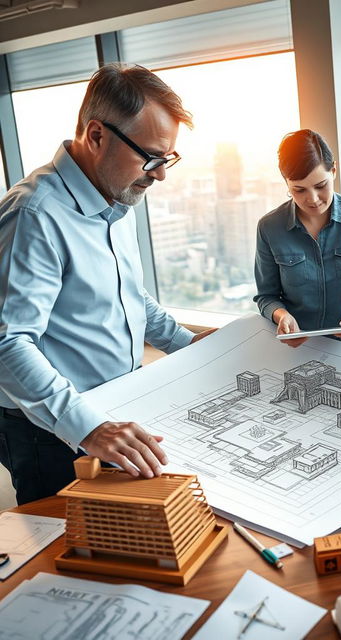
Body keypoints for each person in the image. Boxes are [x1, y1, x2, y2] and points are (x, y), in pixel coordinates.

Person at [0, 64, 213, 504]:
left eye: (168, 158)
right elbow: (9, 342)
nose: (160, 174)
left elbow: (129, 299)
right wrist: (88, 427)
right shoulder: (34, 214)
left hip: (116, 410)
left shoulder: (116, 201)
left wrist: (195, 348)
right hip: (53, 431)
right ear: (96, 136)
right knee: (68, 555)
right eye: (151, 157)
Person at [254, 129, 341, 348]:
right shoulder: (269, 227)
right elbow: (266, 296)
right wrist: (281, 316)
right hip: (297, 348)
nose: (313, 199)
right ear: (286, 182)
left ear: (333, 170)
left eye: (321, 186)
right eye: (299, 190)